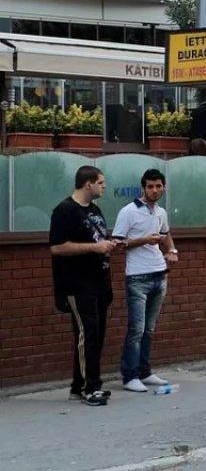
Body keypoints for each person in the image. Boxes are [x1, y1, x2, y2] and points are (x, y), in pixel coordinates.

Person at [49, 165, 121, 406]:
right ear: (88, 183)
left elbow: (97, 239)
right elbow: (57, 247)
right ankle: (91, 388)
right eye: (101, 182)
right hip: (77, 284)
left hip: (99, 281)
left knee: (97, 335)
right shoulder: (64, 210)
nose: (104, 186)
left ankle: (78, 386)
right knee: (86, 334)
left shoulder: (95, 209)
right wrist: (94, 248)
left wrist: (108, 245)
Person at [112, 169, 178, 392]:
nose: (154, 190)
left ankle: (145, 372)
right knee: (136, 329)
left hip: (160, 274)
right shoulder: (128, 212)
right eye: (150, 186)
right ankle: (130, 376)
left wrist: (172, 250)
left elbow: (166, 234)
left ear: (164, 187)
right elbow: (118, 244)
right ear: (143, 188)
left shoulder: (161, 212)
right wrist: (144, 240)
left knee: (149, 329)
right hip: (137, 278)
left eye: (158, 186)